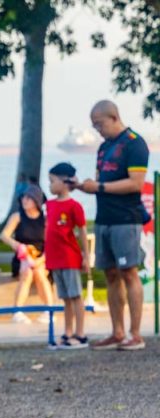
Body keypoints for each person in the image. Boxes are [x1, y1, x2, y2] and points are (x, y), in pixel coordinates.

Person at [78, 100, 150, 351]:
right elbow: (102, 181)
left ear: (113, 117)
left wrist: (99, 187)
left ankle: (135, 334)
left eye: (99, 124)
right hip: (104, 218)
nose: (98, 130)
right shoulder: (103, 148)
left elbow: (136, 183)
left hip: (126, 219)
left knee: (129, 272)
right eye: (94, 126)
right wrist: (87, 186)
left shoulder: (134, 143)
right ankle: (117, 331)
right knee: (109, 273)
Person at [44, 162, 90, 348]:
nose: (50, 185)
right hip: (55, 258)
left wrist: (86, 256)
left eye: (52, 181)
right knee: (65, 298)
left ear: (64, 182)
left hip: (69, 257)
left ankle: (80, 333)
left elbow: (82, 231)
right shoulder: (49, 205)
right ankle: (68, 332)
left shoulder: (74, 206)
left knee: (75, 295)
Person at [0, 186, 54, 323]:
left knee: (39, 273)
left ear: (37, 201)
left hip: (42, 257)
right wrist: (18, 246)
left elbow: (51, 243)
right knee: (27, 273)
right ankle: (17, 311)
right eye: (24, 197)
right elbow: (4, 235)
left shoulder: (45, 219)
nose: (25, 200)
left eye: (29, 198)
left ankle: (49, 311)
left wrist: (41, 260)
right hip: (22, 257)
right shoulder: (17, 216)